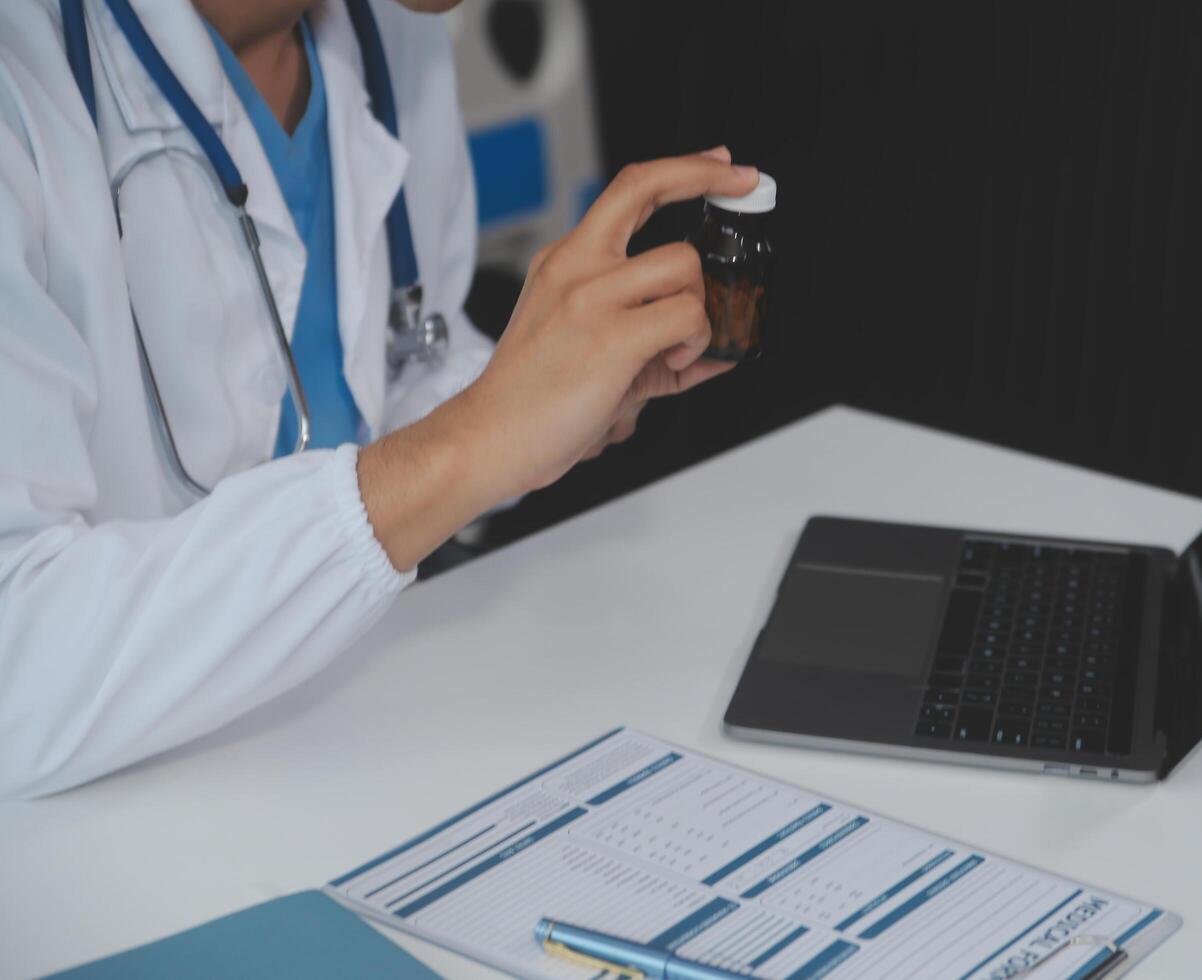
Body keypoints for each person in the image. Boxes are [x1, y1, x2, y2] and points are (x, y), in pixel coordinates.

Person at [0, 0, 758, 799]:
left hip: (342, 748)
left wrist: (537, 404)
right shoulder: (27, 82)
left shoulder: (395, 28)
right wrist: (466, 447)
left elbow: (387, 365)